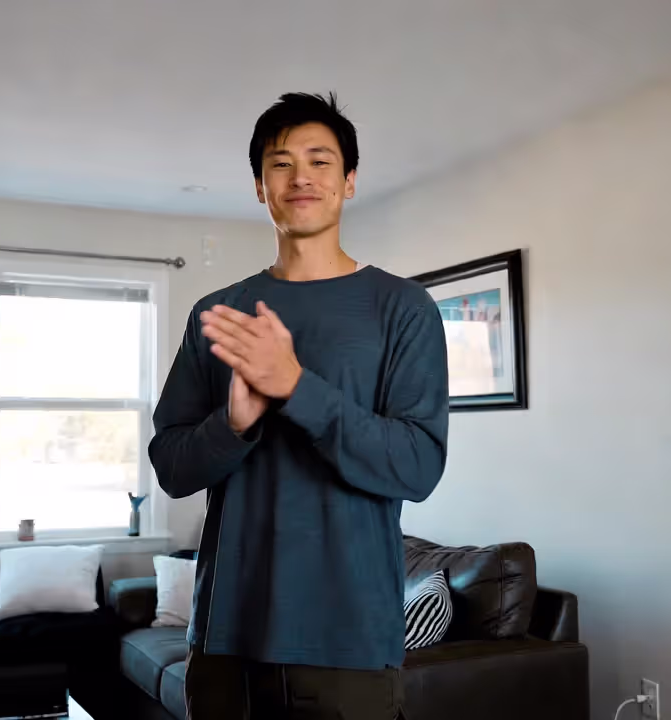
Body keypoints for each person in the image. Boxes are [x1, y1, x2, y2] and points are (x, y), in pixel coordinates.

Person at [148, 92, 449, 720]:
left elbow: (417, 467)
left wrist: (295, 387)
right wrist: (234, 422)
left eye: (320, 160)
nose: (301, 177)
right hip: (225, 639)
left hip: (348, 644)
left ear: (350, 181)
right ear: (260, 186)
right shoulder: (217, 314)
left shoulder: (402, 308)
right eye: (281, 163)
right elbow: (172, 469)